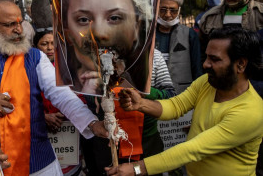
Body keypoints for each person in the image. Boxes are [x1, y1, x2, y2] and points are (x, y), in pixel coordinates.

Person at [0, 0, 109, 176]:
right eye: (10, 24)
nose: (19, 29)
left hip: (39, 164)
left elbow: (62, 95)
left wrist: (92, 123)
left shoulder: (35, 57)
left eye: (20, 22)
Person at [105, 27, 263, 176]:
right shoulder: (207, 82)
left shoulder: (251, 112)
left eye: (214, 59)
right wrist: (141, 104)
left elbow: (193, 149)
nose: (205, 64)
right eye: (206, 56)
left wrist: (136, 169)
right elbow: (176, 106)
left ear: (241, 64)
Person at [60, 0, 151, 96]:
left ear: (136, 27)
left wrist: (129, 90)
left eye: (114, 18)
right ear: (68, 33)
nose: (100, 33)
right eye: (83, 20)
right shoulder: (57, 84)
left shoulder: (156, 63)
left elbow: (169, 97)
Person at [155, 0, 202, 94]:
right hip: (154, 94)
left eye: (173, 10)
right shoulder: (149, 35)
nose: (168, 15)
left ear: (179, 11)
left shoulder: (189, 34)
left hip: (183, 94)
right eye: (163, 9)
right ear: (156, 9)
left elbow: (197, 68)